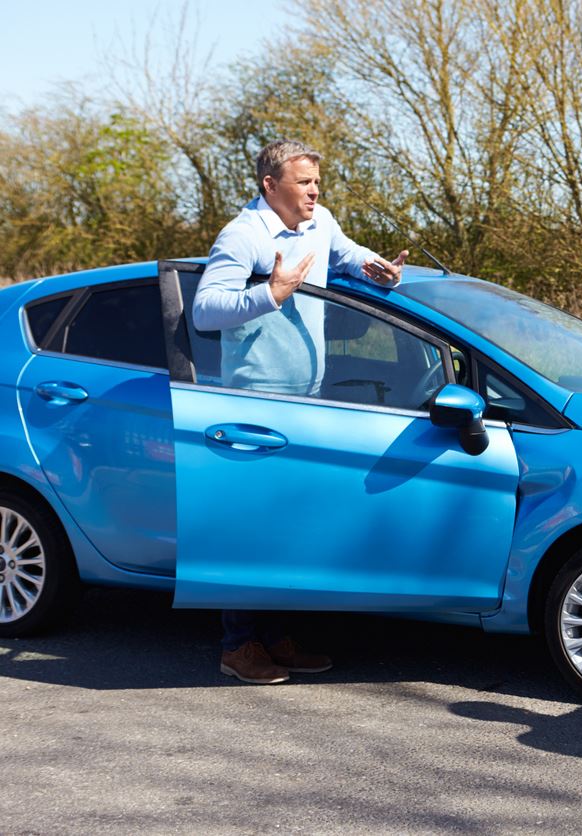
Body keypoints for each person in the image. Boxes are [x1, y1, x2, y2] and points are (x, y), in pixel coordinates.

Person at [194, 139, 409, 685]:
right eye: (304, 182)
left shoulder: (320, 222)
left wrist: (377, 270)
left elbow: (346, 254)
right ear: (271, 186)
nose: (314, 190)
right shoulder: (243, 235)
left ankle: (275, 638)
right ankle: (237, 645)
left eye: (317, 181)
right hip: (254, 402)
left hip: (305, 398)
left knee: (288, 522)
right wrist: (270, 293)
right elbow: (204, 308)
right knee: (251, 525)